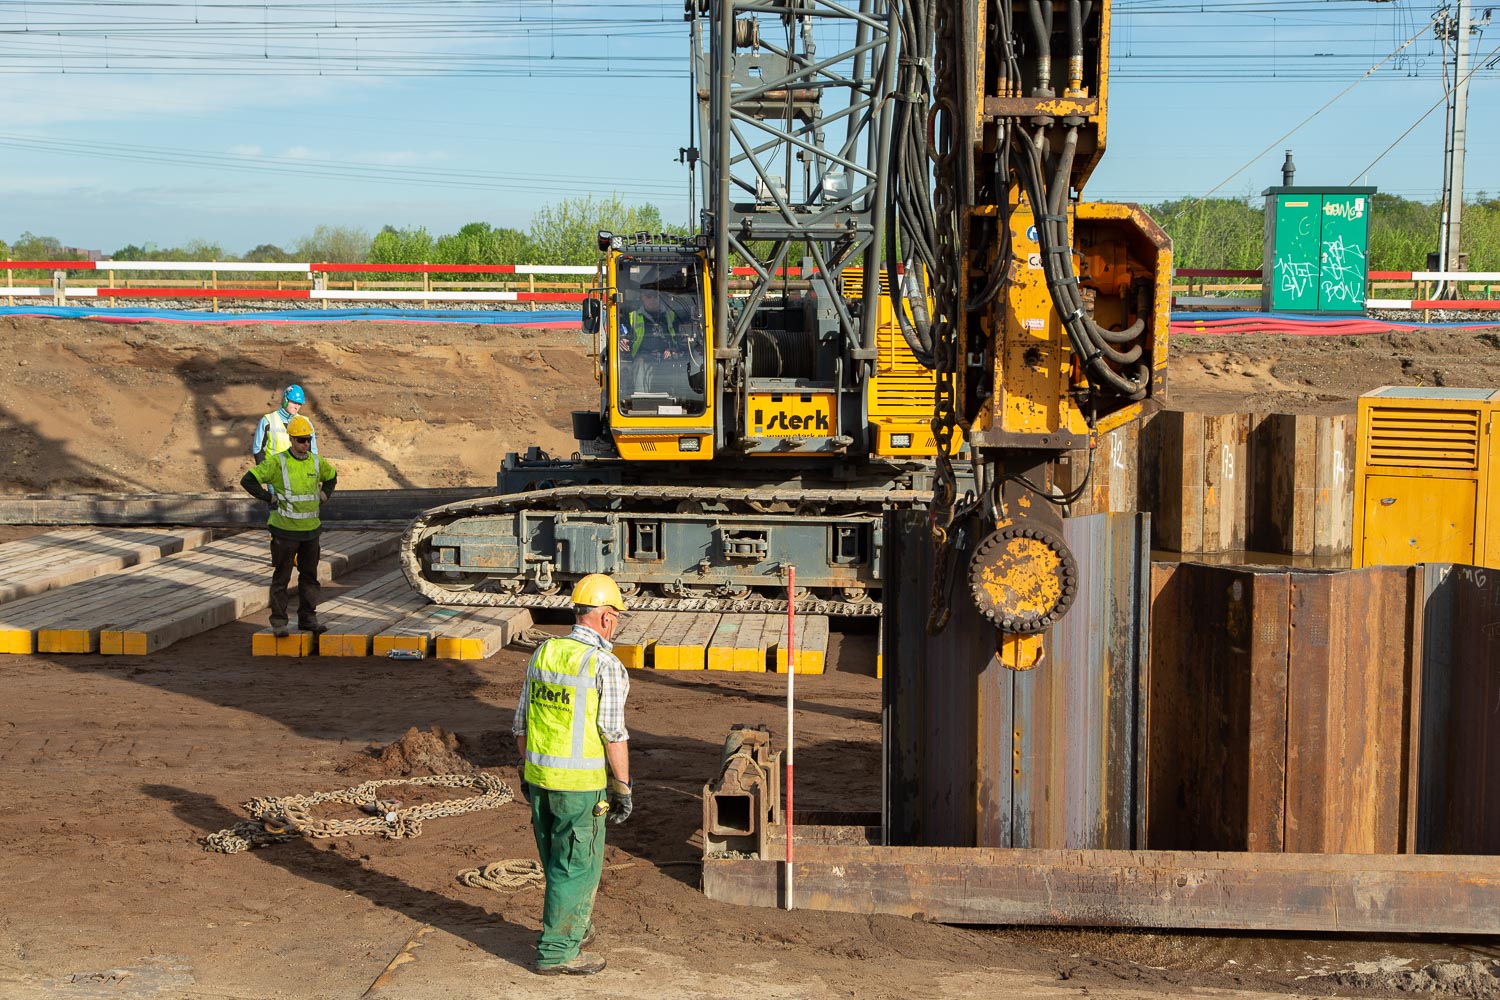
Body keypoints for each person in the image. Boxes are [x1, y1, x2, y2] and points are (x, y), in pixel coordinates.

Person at [513, 574, 633, 977]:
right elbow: (613, 733)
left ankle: (573, 927)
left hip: (540, 779)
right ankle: (557, 952)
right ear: (605, 618)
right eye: (615, 616)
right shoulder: (604, 665)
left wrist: (525, 770)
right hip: (581, 788)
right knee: (577, 865)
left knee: (557, 859)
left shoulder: (543, 653)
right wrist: (623, 786)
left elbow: (521, 724)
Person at [239, 414, 338, 638]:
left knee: (310, 577)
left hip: (310, 531)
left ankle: (308, 618)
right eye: (302, 440)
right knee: (282, 577)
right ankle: (279, 622)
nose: (306, 444)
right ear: (292, 439)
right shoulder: (277, 462)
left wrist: (325, 494)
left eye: (308, 440)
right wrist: (268, 497)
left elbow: (332, 476)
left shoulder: (316, 461)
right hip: (284, 530)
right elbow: (248, 479)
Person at [252, 384, 319, 464]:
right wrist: (265, 473)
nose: (296, 407)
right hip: (274, 472)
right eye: (294, 402)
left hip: (297, 473)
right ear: (285, 400)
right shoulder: (268, 421)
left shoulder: (306, 423)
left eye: (299, 404)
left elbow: (312, 452)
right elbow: (258, 450)